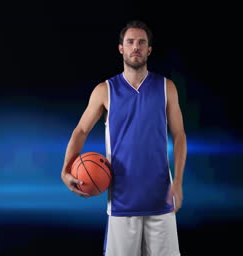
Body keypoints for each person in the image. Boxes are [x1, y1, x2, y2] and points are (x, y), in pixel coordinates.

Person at [60, 20, 186, 256]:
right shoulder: (105, 90)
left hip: (161, 197)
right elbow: (81, 130)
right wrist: (65, 168)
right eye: (130, 42)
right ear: (121, 48)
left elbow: (179, 135)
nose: (135, 47)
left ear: (149, 50)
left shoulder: (166, 87)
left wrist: (178, 180)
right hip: (121, 199)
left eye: (141, 42)